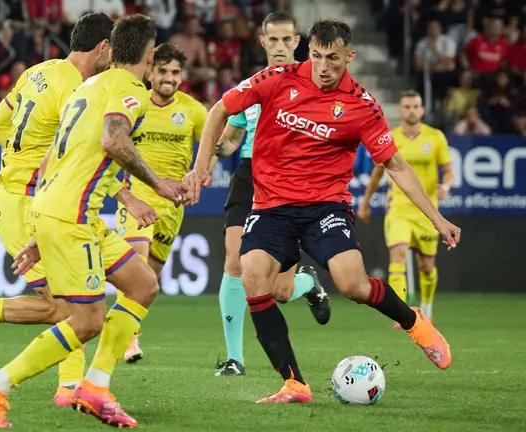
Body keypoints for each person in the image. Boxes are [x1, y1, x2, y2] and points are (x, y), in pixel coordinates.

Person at [183, 19, 458, 404]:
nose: (323, 66)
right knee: (253, 280)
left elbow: (395, 166)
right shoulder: (278, 78)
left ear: (350, 56)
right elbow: (218, 111)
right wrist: (201, 167)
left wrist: (437, 218)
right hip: (271, 206)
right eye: (316, 56)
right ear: (307, 51)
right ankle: (294, 383)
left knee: (353, 286)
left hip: (324, 206)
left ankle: (415, 322)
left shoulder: (362, 106)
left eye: (333, 58)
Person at [0, 15, 183, 428]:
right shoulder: (127, 88)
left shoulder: (85, 86)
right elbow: (114, 140)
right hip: (72, 215)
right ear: (149, 57)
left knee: (142, 285)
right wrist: (159, 184)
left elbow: (50, 157)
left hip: (59, 209)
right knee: (83, 319)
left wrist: (38, 231)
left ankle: (96, 386)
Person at [211, 12, 331, 377]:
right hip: (250, 175)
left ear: (297, 43)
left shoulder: (315, 84)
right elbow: (232, 138)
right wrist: (217, 147)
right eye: (273, 41)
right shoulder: (249, 88)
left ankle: (308, 284)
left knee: (279, 290)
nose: (280, 47)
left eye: (286, 40)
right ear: (262, 42)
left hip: (290, 183)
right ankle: (235, 359)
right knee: (234, 261)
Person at [113, 42, 208, 364]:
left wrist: (202, 174)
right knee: (135, 268)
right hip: (137, 199)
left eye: (175, 72)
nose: (169, 77)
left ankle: (127, 330)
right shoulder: (134, 105)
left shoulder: (194, 110)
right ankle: (125, 338)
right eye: (163, 71)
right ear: (150, 72)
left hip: (173, 206)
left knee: (149, 281)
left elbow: (210, 151)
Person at [358, 90, 454, 322]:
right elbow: (377, 173)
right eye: (407, 107)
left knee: (427, 268)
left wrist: (446, 187)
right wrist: (365, 202)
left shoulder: (435, 137)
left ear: (422, 110)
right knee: (397, 255)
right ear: (401, 111)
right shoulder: (391, 137)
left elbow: (449, 170)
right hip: (398, 207)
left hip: (426, 211)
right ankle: (400, 313)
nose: (411, 110)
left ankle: (427, 306)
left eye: (415, 106)